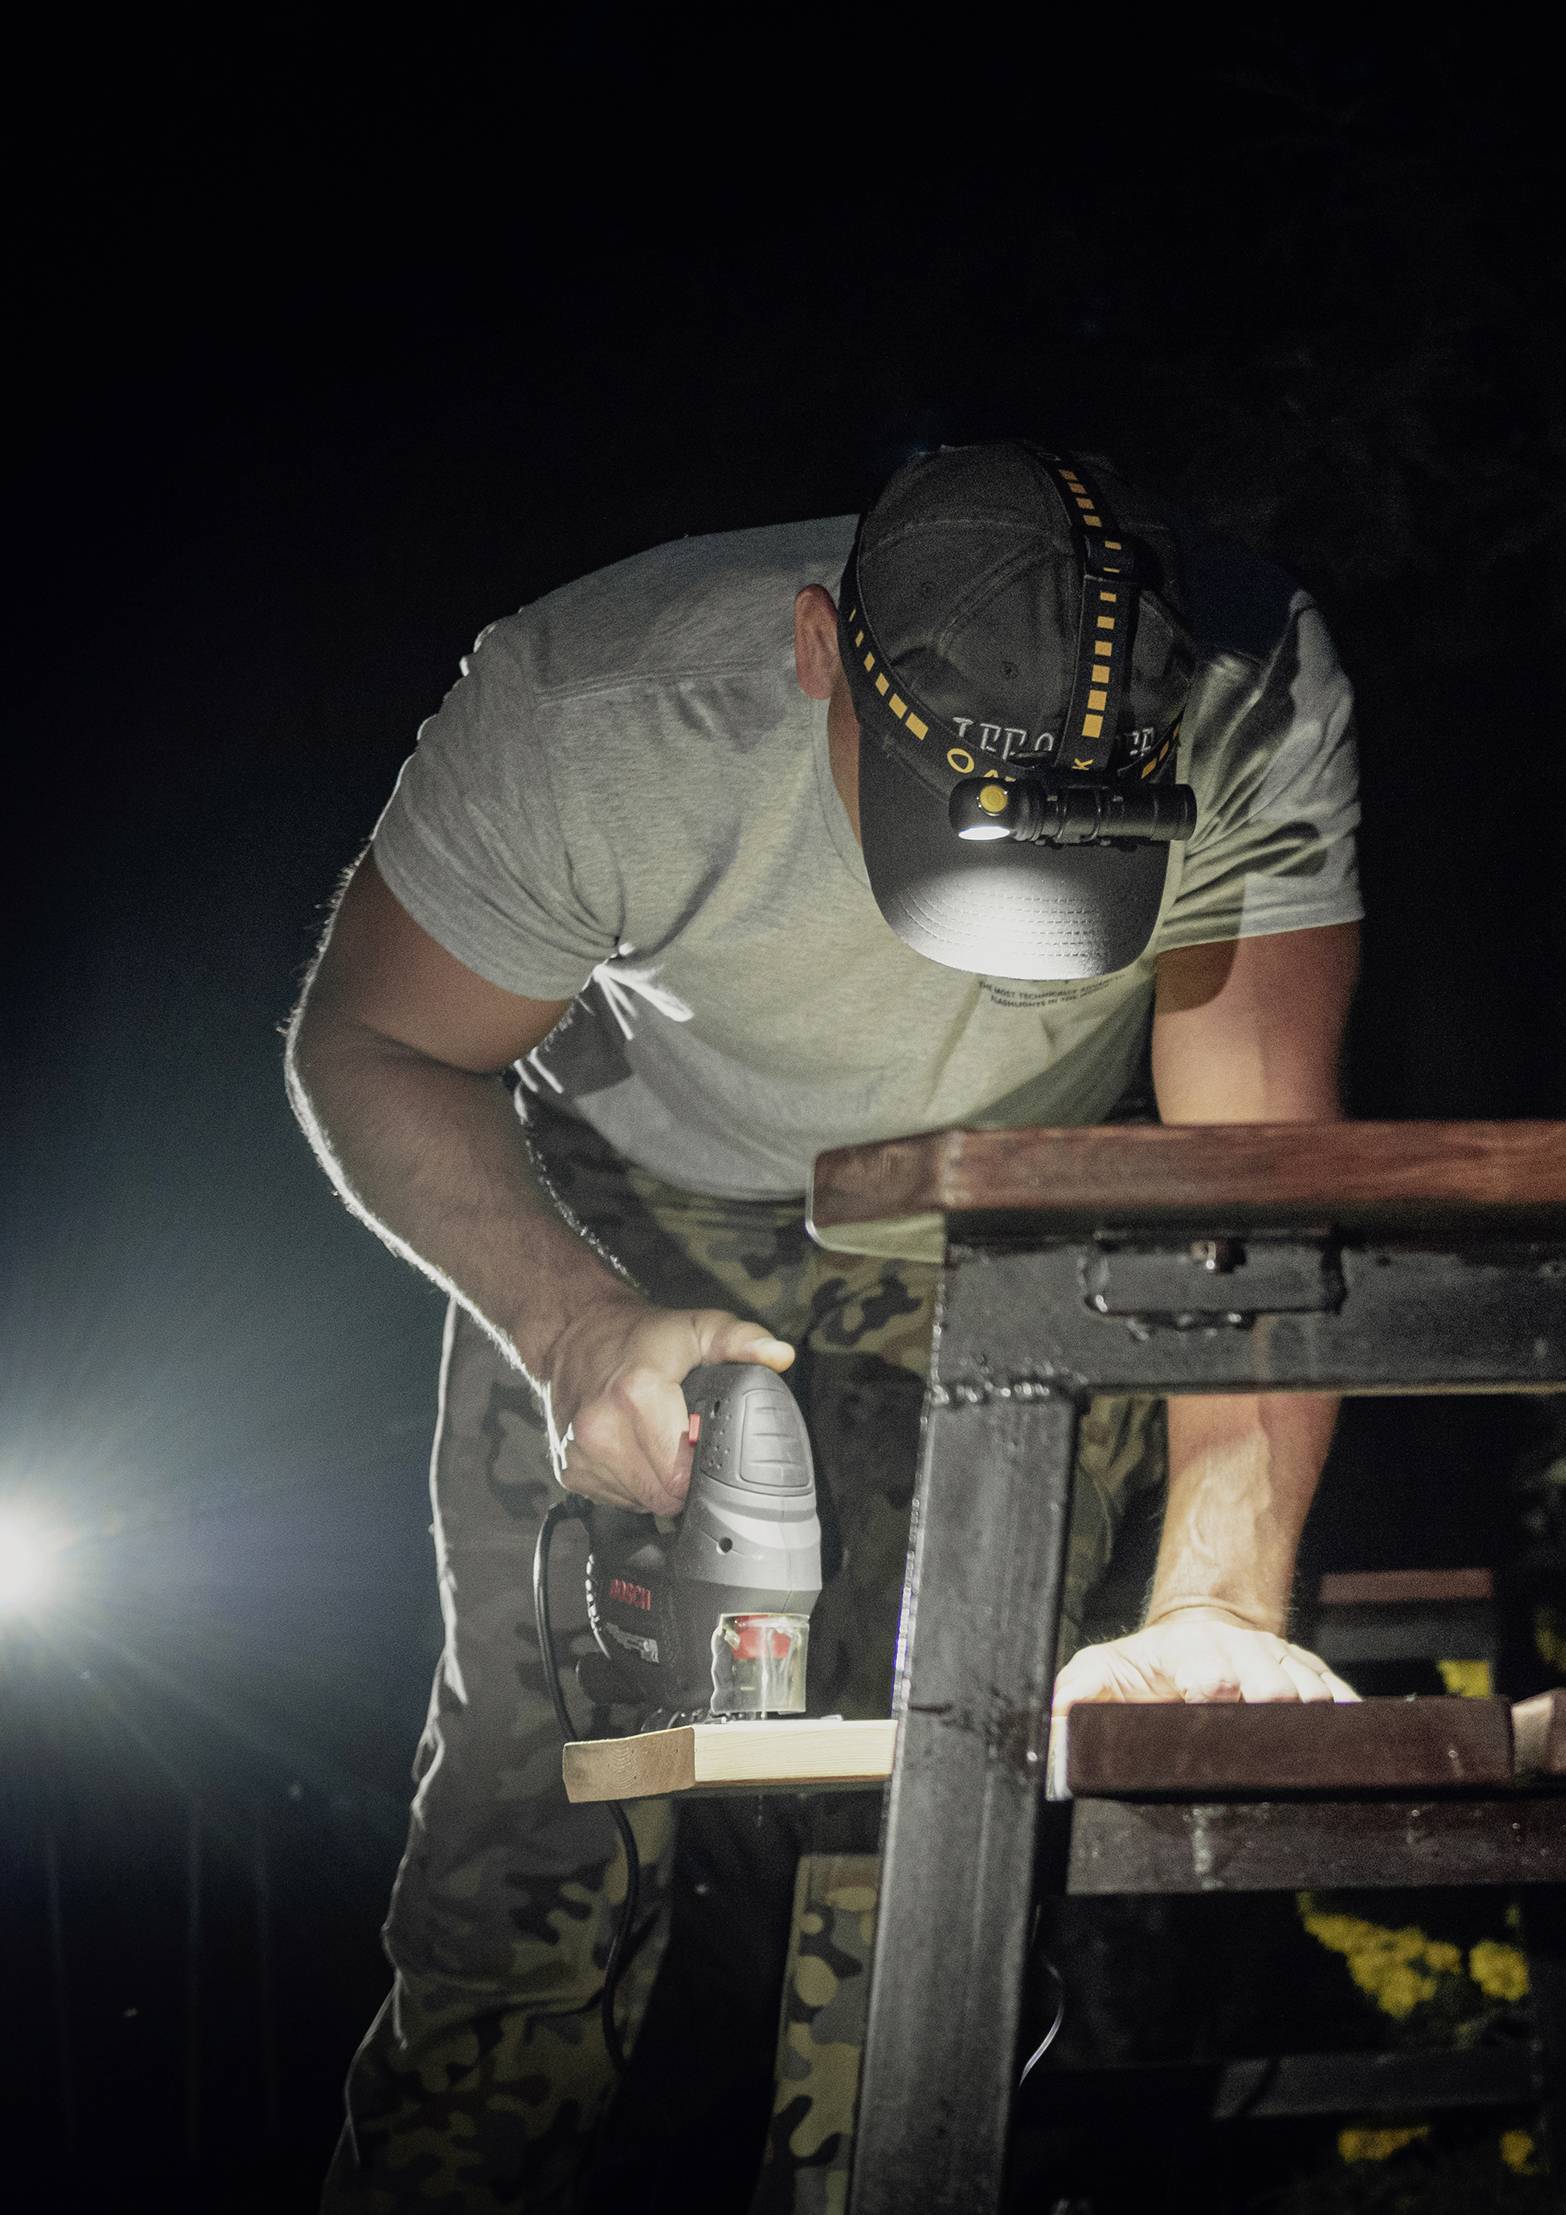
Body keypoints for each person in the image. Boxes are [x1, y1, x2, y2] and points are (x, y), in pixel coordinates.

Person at [286, 441, 1365, 2209]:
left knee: (934, 1855)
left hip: (1011, 1222)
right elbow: (378, 1044)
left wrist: (1220, 1602)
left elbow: (1242, 1187)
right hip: (624, 1221)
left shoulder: (1249, 691)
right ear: (815, 652)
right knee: (527, 1854)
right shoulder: (593, 715)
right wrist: (571, 1331)